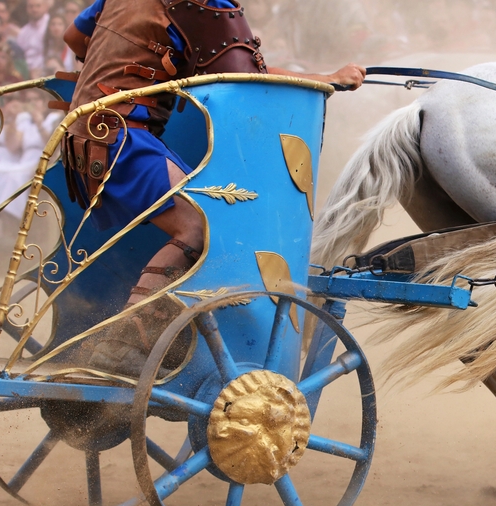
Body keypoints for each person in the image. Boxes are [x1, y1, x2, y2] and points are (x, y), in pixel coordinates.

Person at [61, 0, 364, 376]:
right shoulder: (205, 3)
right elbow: (249, 78)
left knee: (205, 217)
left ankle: (157, 333)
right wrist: (328, 77)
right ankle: (123, 345)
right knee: (203, 227)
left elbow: (74, 37)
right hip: (121, 139)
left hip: (89, 135)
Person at [15, 0, 49, 76]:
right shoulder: (23, 32)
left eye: (38, 6)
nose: (34, 9)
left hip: (49, 72)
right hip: (28, 75)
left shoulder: (51, 25)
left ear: (45, 7)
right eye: (31, 6)